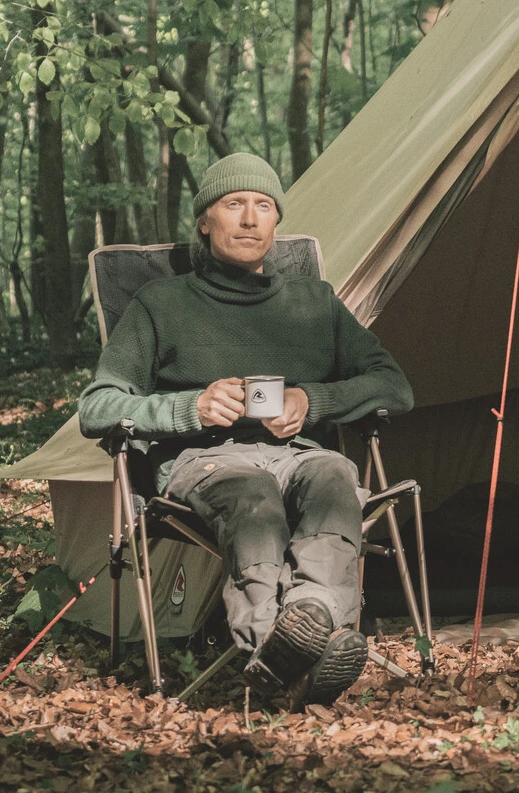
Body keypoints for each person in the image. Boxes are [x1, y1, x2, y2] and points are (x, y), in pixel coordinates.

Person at [79, 152, 413, 705]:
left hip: (299, 455)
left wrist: (312, 400)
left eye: (264, 205)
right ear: (204, 221)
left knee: (335, 476)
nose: (251, 218)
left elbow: (393, 386)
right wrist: (192, 408)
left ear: (277, 221)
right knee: (252, 495)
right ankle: (282, 644)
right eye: (234, 204)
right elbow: (98, 407)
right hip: (207, 464)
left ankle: (302, 632)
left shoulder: (315, 302)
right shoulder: (161, 303)